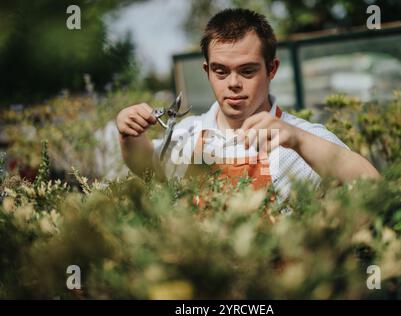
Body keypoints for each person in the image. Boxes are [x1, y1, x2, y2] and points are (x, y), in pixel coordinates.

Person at [115, 8, 380, 201]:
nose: (233, 83)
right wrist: (130, 135)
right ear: (207, 70)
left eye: (247, 71)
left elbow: (374, 187)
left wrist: (299, 140)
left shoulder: (301, 140)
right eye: (220, 71)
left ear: (271, 69)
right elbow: (150, 168)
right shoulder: (189, 133)